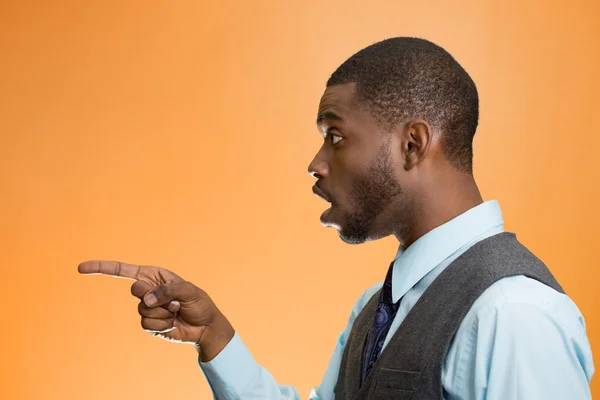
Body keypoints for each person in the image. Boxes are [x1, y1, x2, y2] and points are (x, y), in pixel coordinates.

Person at [78, 37, 595, 399]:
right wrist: (214, 335)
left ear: (412, 144)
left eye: (336, 135)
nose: (316, 163)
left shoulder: (512, 314)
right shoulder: (375, 308)